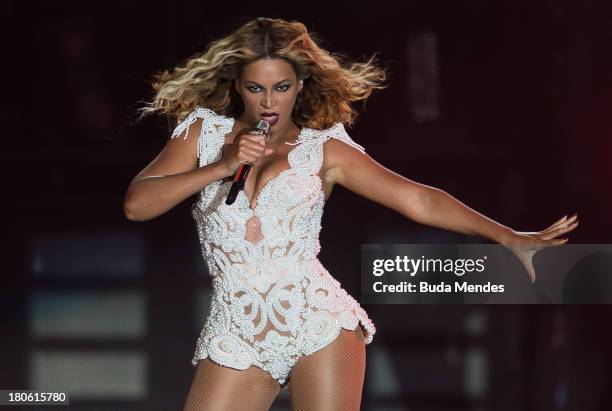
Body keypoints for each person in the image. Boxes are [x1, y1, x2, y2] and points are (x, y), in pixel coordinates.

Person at [123, 17, 578, 411]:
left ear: (299, 85)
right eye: (256, 88)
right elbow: (137, 204)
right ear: (237, 85)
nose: (268, 102)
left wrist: (508, 236)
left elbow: (419, 199)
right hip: (235, 326)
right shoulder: (203, 134)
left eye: (281, 88)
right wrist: (223, 166)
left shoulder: (324, 150)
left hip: (316, 319)